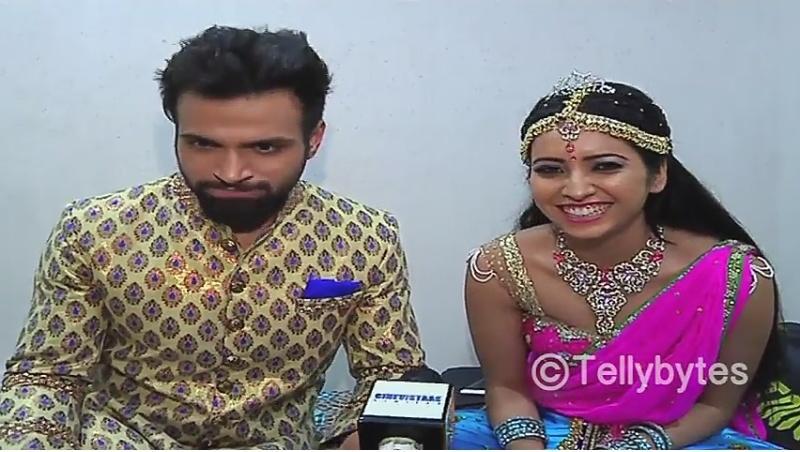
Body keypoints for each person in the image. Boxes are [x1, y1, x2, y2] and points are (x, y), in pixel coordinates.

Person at [0, 25, 425, 449]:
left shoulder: (366, 238)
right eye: (203, 144)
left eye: (265, 148)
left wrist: (371, 438)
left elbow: (390, 376)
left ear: (313, 140)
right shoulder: (94, 230)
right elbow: (47, 377)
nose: (231, 172)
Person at [452, 71, 783, 449]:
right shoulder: (498, 268)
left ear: (658, 175)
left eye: (605, 166)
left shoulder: (736, 277)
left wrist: (636, 447)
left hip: (673, 439)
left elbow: (714, 405)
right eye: (550, 170)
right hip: (538, 431)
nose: (576, 189)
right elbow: (507, 389)